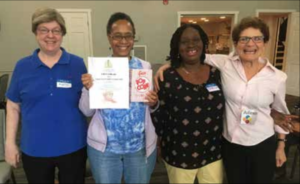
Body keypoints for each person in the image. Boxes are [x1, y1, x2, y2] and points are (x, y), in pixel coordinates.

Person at [155, 17, 290, 183]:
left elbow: (282, 114)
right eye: (244, 39)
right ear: (236, 43)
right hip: (231, 143)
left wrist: (281, 146)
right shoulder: (225, 64)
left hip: (261, 142)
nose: (250, 44)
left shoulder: (277, 77)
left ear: (265, 42)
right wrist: (168, 65)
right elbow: (193, 55)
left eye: (257, 38)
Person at [5, 8, 87, 183]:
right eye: (44, 30)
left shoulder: (78, 64)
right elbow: (12, 106)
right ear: (36, 33)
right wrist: (9, 143)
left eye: (56, 30)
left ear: (62, 34)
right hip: (35, 149)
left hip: (73, 146)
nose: (50, 35)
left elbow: (87, 102)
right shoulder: (22, 67)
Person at [79, 12, 158, 184]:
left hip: (138, 147)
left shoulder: (144, 67)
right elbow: (86, 110)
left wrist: (154, 102)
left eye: (128, 36)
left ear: (133, 38)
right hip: (105, 149)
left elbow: (150, 105)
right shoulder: (98, 69)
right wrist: (88, 89)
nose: (123, 41)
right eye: (117, 36)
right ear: (109, 38)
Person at [151, 24, 225, 183]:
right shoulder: (167, 76)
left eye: (196, 40)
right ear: (177, 47)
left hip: (213, 151)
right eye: (184, 42)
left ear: (203, 43)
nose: (191, 45)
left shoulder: (216, 73)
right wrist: (158, 144)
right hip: (179, 153)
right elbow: (159, 114)